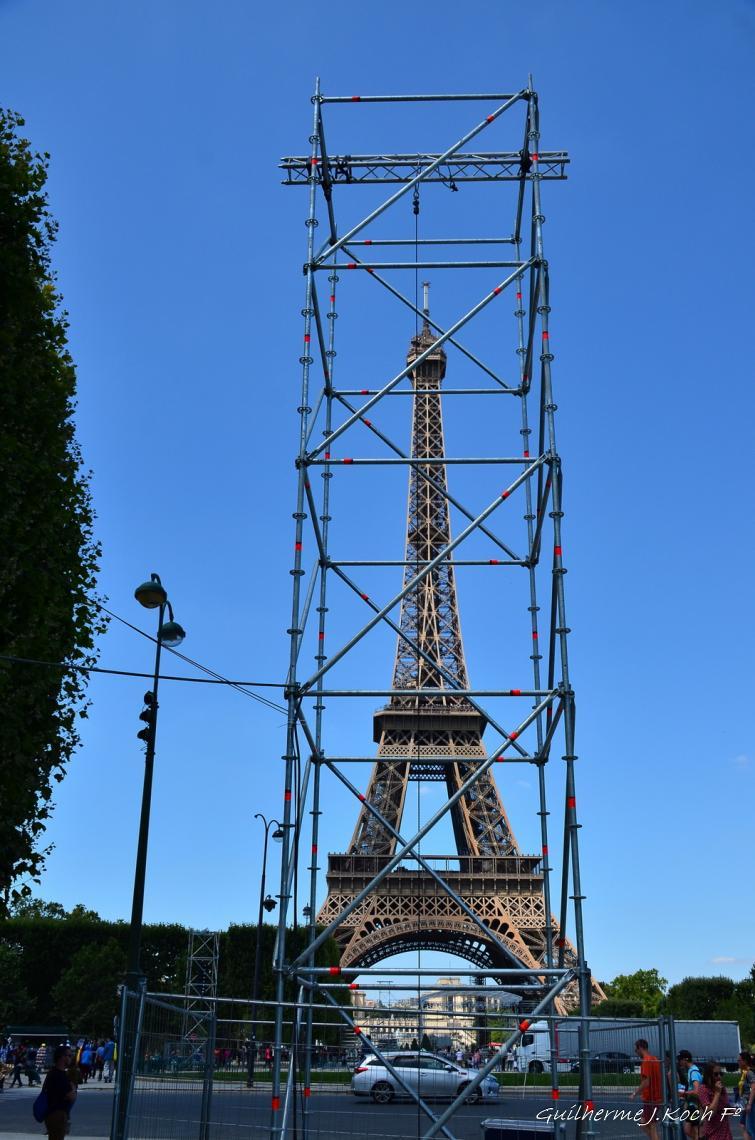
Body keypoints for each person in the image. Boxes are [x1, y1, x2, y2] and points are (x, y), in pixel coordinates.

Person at [40, 1044, 77, 1140]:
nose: (70, 1058)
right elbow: (71, 1096)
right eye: (68, 1055)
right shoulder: (59, 1075)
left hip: (54, 1114)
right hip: (57, 1114)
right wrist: (73, 1088)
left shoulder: (54, 1073)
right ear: (61, 1057)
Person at [631, 1038, 662, 1140]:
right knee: (645, 1123)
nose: (636, 1053)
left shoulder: (646, 1061)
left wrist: (635, 1093)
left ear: (640, 1048)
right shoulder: (655, 1059)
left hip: (650, 1097)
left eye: (636, 1050)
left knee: (650, 1125)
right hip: (656, 1096)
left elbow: (646, 1082)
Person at [697, 1061, 733, 1140]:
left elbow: (726, 1107)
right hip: (712, 1134)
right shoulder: (703, 1089)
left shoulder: (722, 1088)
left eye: (721, 1074)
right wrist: (717, 1094)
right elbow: (710, 1114)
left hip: (725, 1133)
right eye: (716, 1074)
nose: (719, 1077)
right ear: (708, 1075)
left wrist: (734, 1109)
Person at [678, 1049, 704, 1140]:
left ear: (685, 1059)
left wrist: (683, 1093)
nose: (679, 1062)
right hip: (692, 1105)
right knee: (690, 1130)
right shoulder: (691, 1070)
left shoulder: (693, 1072)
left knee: (691, 1130)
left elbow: (696, 1091)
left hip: (695, 1105)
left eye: (680, 1059)